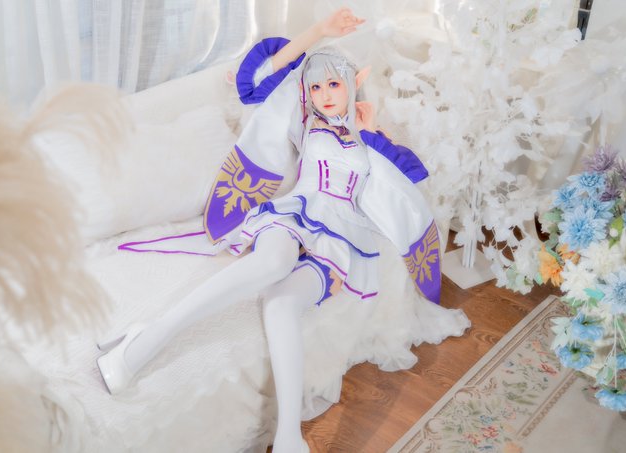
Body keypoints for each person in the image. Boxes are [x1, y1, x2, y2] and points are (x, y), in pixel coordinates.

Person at [97, 7, 445, 453]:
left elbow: (403, 189)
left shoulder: (368, 141)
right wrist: (319, 31)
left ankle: (288, 437)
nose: (324, 94)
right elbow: (261, 79)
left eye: (334, 84)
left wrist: (371, 130)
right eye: (315, 86)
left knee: (281, 306)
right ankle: (144, 343)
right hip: (292, 217)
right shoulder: (305, 122)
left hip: (337, 243)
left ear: (353, 83)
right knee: (272, 263)